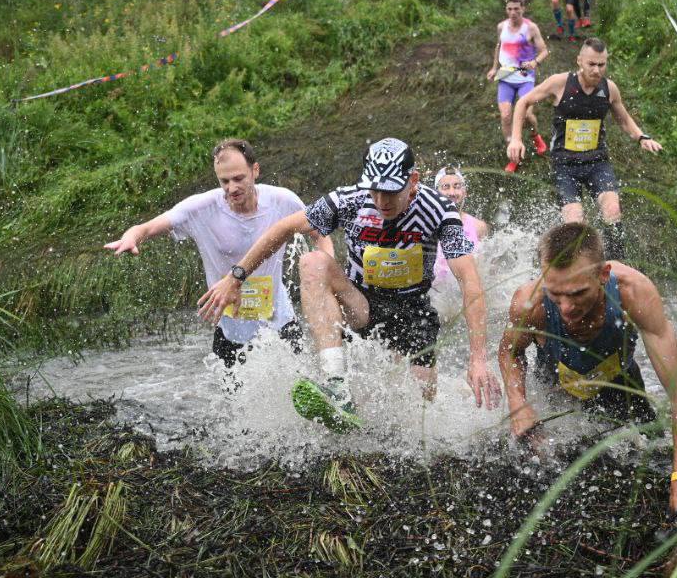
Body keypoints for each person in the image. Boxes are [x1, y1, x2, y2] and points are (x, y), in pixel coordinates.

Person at [197, 138, 503, 418]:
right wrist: (236, 277)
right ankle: (336, 386)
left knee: (422, 412)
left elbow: (470, 280)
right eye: (375, 190)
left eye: (391, 191)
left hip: (414, 314)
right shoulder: (349, 199)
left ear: (413, 181)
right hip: (361, 305)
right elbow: (282, 229)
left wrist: (478, 358)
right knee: (313, 262)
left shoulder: (440, 210)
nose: (381, 200)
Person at [497, 222, 677, 517]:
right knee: (543, 470)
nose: (566, 307)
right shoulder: (530, 303)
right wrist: (518, 404)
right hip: (554, 385)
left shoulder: (635, 292)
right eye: (556, 294)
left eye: (578, 293)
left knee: (650, 452)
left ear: (603, 275)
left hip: (621, 381)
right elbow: (510, 352)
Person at [104, 138, 333, 368]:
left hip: (279, 321)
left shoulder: (283, 201)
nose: (231, 188)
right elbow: (148, 227)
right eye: (224, 181)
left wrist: (326, 271)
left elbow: (320, 233)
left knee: (301, 391)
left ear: (255, 170)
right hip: (230, 330)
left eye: (238, 179)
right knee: (235, 403)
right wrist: (131, 237)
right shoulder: (201, 208)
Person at [506, 37, 661, 261]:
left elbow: (624, 119)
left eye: (602, 64)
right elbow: (523, 102)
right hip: (565, 164)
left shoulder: (609, 89)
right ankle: (580, 267)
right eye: (591, 64)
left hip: (597, 162)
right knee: (575, 221)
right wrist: (516, 139)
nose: (597, 70)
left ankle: (616, 265)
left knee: (612, 210)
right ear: (579, 61)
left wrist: (641, 137)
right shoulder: (560, 83)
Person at [484, 0, 550, 172]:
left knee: (526, 115)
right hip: (506, 78)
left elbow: (544, 51)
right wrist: (493, 67)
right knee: (506, 115)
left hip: (524, 78)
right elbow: (499, 46)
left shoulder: (531, 28)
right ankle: (513, 153)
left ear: (523, 9)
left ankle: (535, 136)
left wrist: (535, 62)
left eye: (516, 9)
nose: (513, 12)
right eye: (509, 9)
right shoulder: (501, 27)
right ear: (506, 10)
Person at [431, 166, 490, 289]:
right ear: (435, 193)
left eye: (457, 186)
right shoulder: (428, 224)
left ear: (465, 192)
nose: (452, 192)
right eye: (445, 187)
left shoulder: (478, 226)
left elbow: (486, 268)